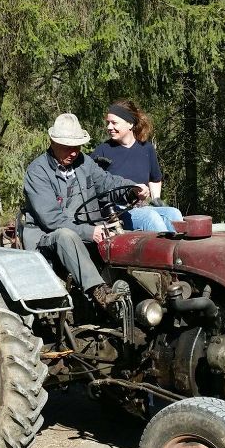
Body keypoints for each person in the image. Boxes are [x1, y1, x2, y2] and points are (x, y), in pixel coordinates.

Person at [21, 113, 148, 309]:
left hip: (86, 230)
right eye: (67, 147)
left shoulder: (84, 162)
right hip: (48, 237)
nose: (73, 152)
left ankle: (142, 296)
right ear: (53, 143)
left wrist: (131, 190)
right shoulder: (37, 171)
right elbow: (51, 220)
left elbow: (107, 183)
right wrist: (90, 232)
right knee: (66, 235)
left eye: (76, 146)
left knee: (131, 240)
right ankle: (99, 291)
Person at [91, 99, 183, 232]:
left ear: (130, 123)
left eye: (114, 123)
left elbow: (155, 178)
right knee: (150, 217)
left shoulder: (147, 149)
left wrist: (156, 199)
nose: (109, 127)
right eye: (108, 123)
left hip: (142, 206)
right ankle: (163, 251)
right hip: (115, 210)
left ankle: (179, 250)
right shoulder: (102, 150)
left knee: (174, 214)